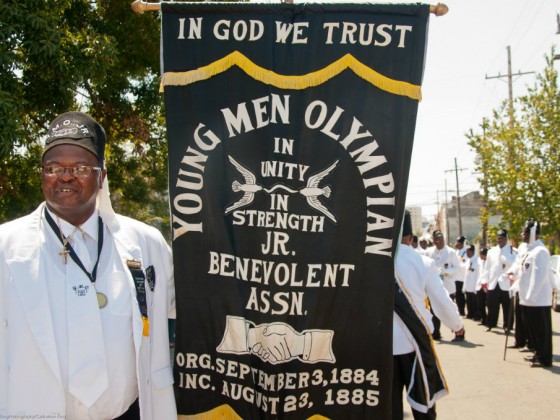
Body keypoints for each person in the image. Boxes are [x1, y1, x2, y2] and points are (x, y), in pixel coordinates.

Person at [0, 112, 177, 418]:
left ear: (102, 176)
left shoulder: (146, 243)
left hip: (131, 412)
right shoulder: (6, 247)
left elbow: (179, 308)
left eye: (80, 167)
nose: (65, 176)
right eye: (53, 167)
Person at [393, 211, 464, 419]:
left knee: (388, 407)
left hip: (382, 347)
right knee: (423, 407)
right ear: (410, 237)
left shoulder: (373, 262)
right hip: (414, 345)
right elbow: (441, 301)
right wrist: (457, 324)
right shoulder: (421, 261)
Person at [511, 219, 553, 368]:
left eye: (525, 233)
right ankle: (537, 353)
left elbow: (539, 277)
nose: (522, 235)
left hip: (538, 300)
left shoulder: (540, 251)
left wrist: (531, 296)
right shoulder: (529, 251)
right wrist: (516, 286)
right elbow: (524, 274)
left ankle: (545, 358)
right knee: (533, 331)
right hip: (527, 299)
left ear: (534, 233)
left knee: (541, 331)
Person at [480, 229, 517, 332]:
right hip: (493, 282)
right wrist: (484, 281)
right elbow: (487, 268)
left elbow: (515, 266)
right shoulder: (492, 251)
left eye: (502, 238)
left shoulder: (512, 252)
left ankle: (507, 326)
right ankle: (490, 324)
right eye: (499, 238)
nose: (500, 240)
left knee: (507, 307)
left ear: (506, 239)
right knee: (491, 306)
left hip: (506, 283)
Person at [463, 245, 479, 320]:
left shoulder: (477, 261)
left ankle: (476, 315)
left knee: (475, 302)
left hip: (474, 285)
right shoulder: (468, 261)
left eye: (469, 252)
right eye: (466, 252)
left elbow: (478, 274)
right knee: (469, 301)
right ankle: (470, 314)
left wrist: (476, 286)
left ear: (473, 251)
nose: (467, 253)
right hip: (468, 285)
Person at [454, 236, 468, 316]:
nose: (457, 244)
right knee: (458, 295)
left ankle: (463, 310)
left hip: (462, 277)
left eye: (459, 243)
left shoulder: (465, 252)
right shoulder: (456, 252)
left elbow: (465, 264)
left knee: (463, 295)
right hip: (456, 277)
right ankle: (460, 310)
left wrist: (458, 265)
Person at [475, 247, 489, 324]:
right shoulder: (480, 262)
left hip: (487, 285)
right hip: (480, 285)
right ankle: (483, 319)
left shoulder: (489, 262)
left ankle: (489, 320)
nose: (480, 256)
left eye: (481, 255)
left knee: (488, 304)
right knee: (480, 303)